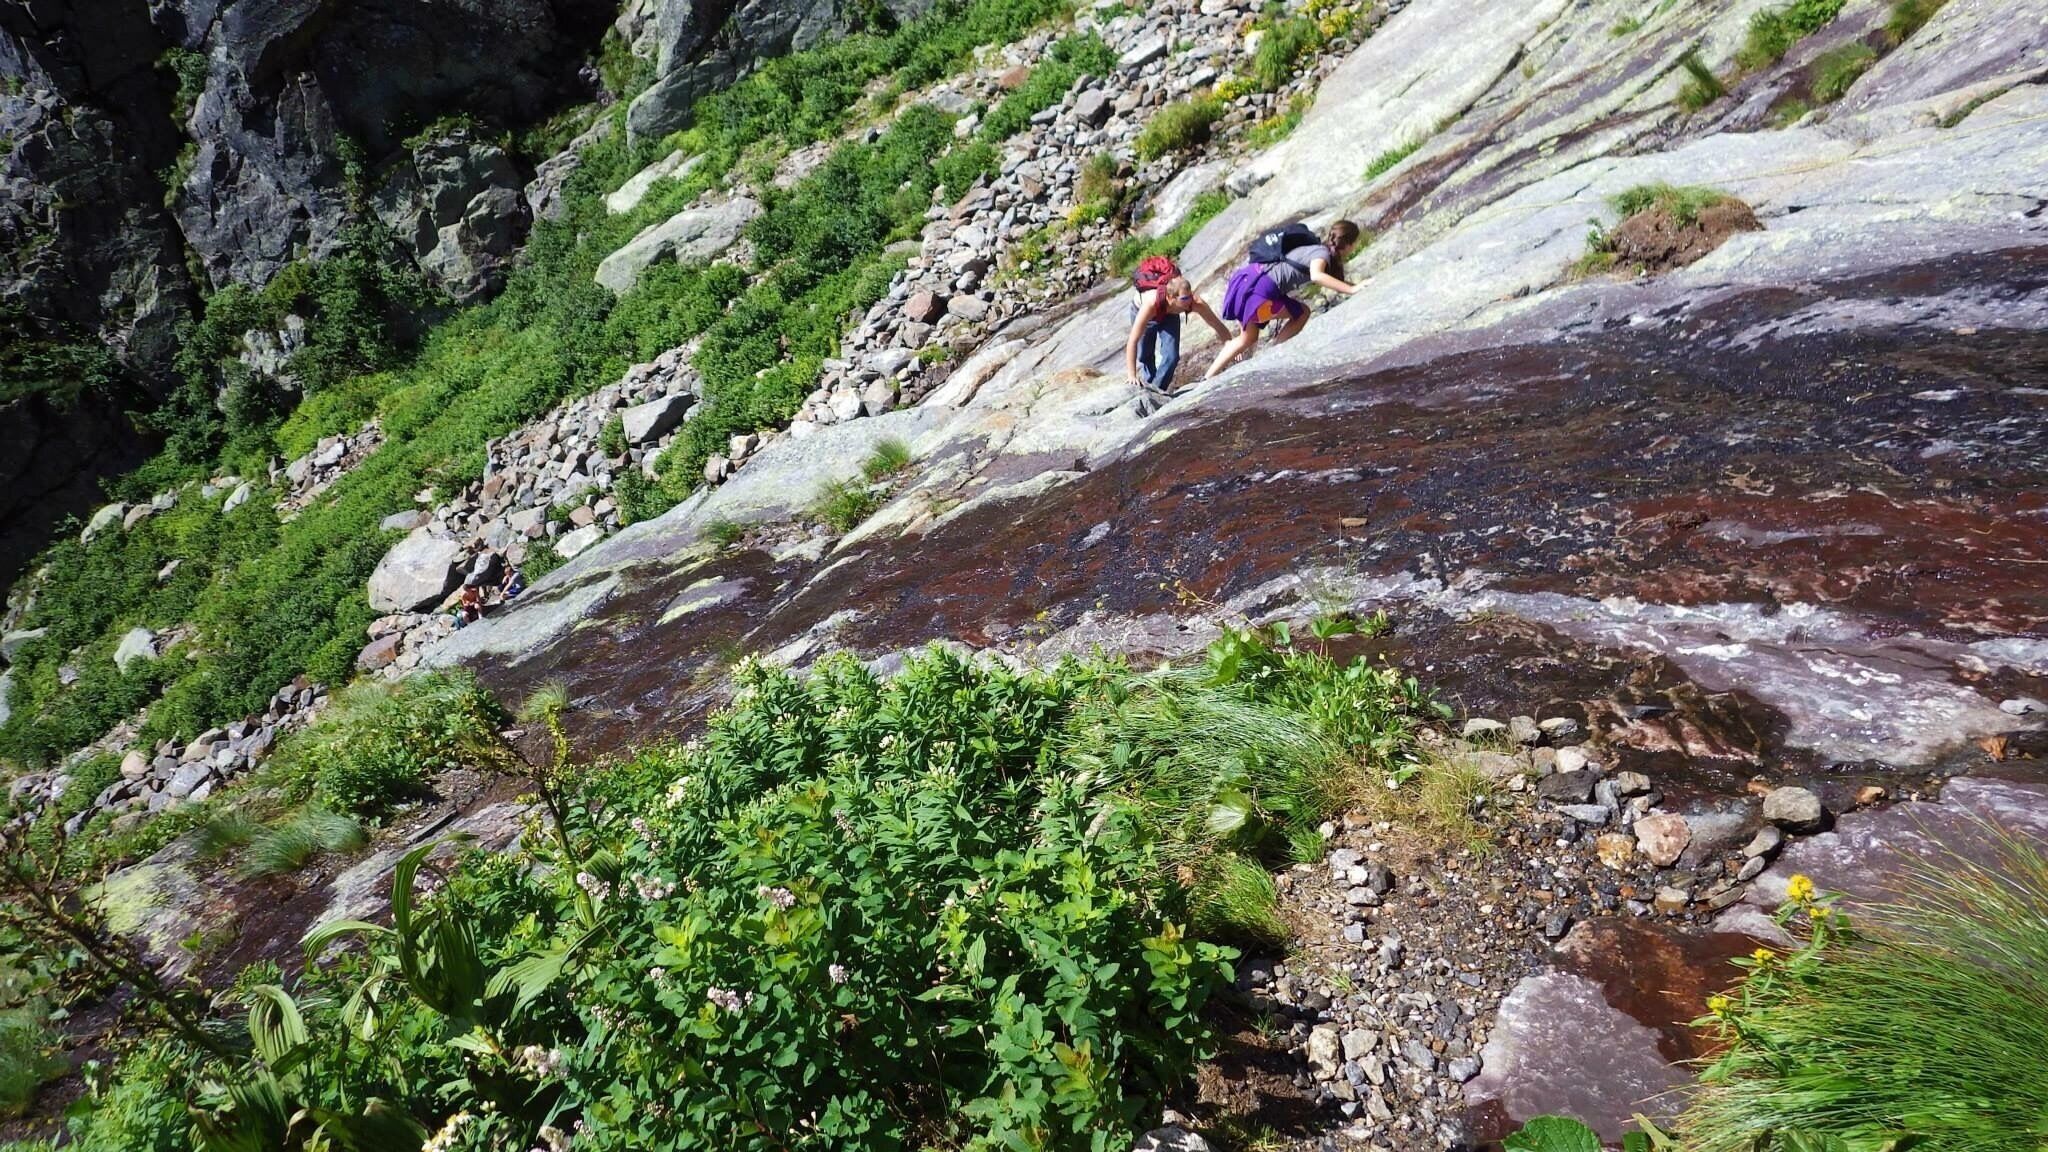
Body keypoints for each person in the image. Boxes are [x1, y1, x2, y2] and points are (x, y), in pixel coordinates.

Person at [1205, 220, 1363, 381]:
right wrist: (1352, 290)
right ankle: (1275, 353)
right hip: (1257, 291)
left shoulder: (1314, 250)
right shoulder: (1321, 254)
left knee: (1247, 338)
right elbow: (1317, 275)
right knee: (1302, 313)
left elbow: (1330, 279)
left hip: (1246, 282)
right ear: (1349, 244)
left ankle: (1207, 378)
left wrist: (1354, 287)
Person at [1124, 257, 1229, 399]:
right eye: (1184, 299)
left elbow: (1216, 323)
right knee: (1145, 355)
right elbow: (1132, 340)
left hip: (1170, 315)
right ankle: (1149, 386)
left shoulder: (1193, 302)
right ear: (1170, 297)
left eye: (1189, 296)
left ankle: (1156, 391)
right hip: (1145, 312)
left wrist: (1230, 344)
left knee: (1172, 356)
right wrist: (1131, 375)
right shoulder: (1150, 304)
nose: (1189, 302)